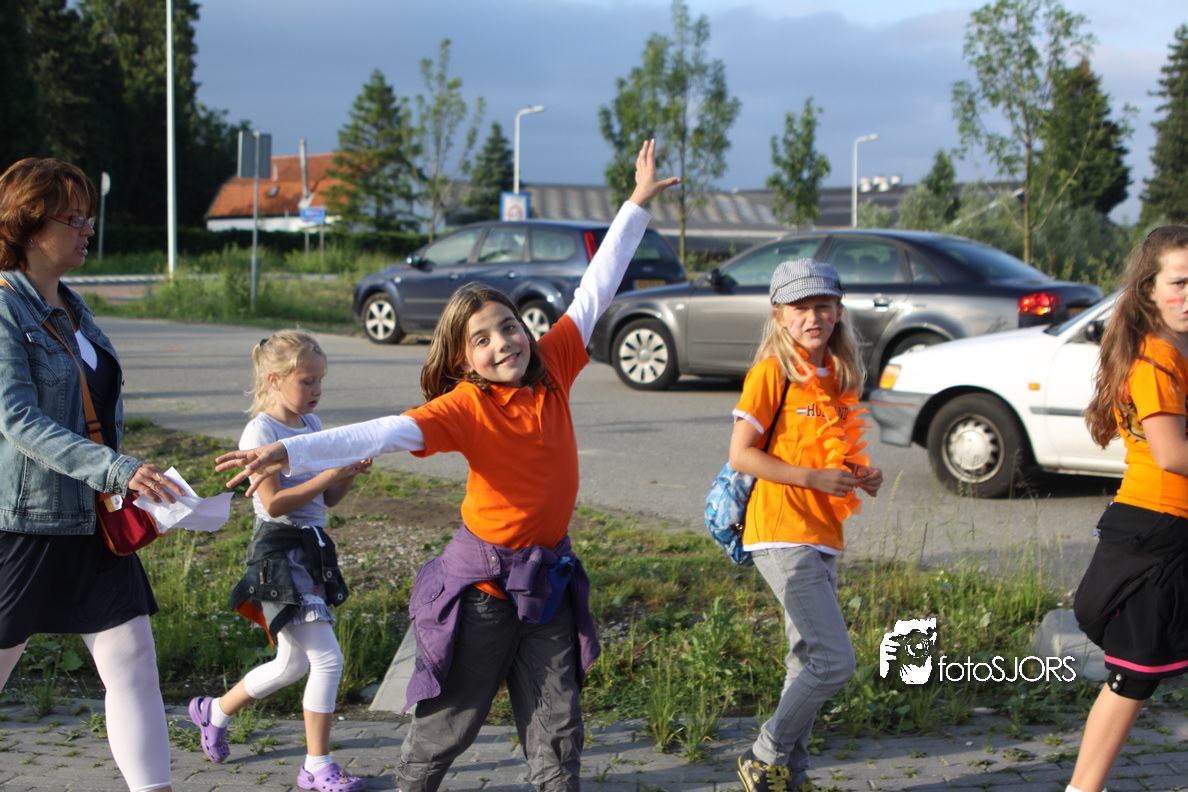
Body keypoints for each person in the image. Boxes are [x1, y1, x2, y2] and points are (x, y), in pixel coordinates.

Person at [214, 139, 679, 792]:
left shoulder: (554, 366)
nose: (503, 343)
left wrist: (636, 204)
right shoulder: (466, 407)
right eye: (481, 339)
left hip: (547, 583)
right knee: (450, 724)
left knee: (559, 725)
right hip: (483, 592)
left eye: (509, 326)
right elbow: (385, 430)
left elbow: (596, 288)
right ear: (462, 361)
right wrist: (288, 449)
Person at [0, 157, 186, 792]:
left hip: (95, 522)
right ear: (28, 225)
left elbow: (94, 414)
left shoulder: (75, 308)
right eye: (72, 219)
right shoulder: (5, 308)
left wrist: (128, 477)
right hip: (26, 524)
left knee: (133, 664)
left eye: (88, 217)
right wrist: (117, 469)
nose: (87, 230)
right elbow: (17, 419)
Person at [187, 329, 373, 791]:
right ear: (274, 379)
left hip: (311, 549)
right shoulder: (261, 431)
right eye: (307, 381)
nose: (316, 390)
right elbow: (272, 503)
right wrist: (329, 472)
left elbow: (328, 499)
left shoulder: (312, 424)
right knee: (327, 660)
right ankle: (316, 766)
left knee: (292, 666)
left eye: (320, 380)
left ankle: (214, 711)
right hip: (278, 552)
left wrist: (348, 471)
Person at [728, 259, 882, 792]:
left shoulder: (835, 375)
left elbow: (821, 448)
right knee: (835, 662)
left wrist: (857, 474)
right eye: (800, 307)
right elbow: (742, 454)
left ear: (838, 311)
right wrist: (814, 478)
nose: (813, 316)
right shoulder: (773, 371)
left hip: (822, 533)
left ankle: (789, 776)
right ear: (779, 315)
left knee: (806, 659)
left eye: (823, 305)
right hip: (780, 530)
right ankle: (763, 754)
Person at [1069, 225, 1188, 792]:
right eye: (1180, 282)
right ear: (1148, 290)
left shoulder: (1177, 351)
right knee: (1132, 679)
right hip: (1157, 533)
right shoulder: (1155, 361)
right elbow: (1172, 454)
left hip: (1166, 532)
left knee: (1135, 678)